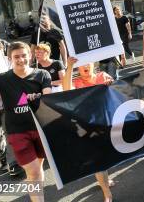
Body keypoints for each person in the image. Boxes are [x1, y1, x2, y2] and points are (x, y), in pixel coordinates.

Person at [0, 42, 52, 202]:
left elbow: (48, 97)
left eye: (24, 55)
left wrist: (38, 97)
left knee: (38, 169)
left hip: (40, 129)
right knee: (33, 172)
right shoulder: (0, 79)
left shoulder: (42, 75)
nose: (21, 59)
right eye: (16, 57)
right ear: (9, 58)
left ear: (30, 56)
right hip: (18, 133)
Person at [62, 57, 114, 201]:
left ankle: (106, 180)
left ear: (94, 63)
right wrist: (70, 66)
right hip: (88, 126)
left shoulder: (102, 76)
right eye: (81, 65)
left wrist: (111, 84)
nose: (85, 66)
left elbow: (117, 91)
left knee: (106, 155)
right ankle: (107, 193)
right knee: (98, 159)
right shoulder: (77, 82)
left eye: (87, 63)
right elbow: (66, 90)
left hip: (107, 123)